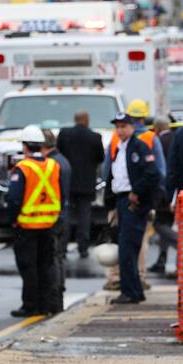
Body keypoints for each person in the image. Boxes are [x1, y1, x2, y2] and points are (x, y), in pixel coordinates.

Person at [7, 125, 62, 317]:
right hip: (49, 225)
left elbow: (14, 198)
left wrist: (13, 220)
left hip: (27, 226)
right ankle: (45, 304)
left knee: (28, 266)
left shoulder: (23, 168)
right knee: (46, 265)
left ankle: (30, 305)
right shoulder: (53, 165)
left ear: (25, 146)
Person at [106, 113, 161, 304]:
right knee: (127, 247)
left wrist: (137, 192)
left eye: (124, 126)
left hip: (133, 202)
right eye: (118, 127)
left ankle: (129, 291)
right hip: (122, 200)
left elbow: (153, 173)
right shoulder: (120, 148)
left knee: (127, 249)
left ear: (131, 127)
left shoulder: (138, 146)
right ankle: (134, 290)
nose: (120, 130)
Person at [57, 110, 105, 258]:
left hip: (67, 182)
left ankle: (62, 247)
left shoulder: (64, 135)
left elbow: (59, 155)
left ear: (75, 119)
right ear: (87, 120)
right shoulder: (95, 137)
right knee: (84, 216)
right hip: (86, 182)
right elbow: (100, 158)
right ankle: (83, 247)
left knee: (66, 214)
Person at [43, 129, 71, 307]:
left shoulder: (52, 163)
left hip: (55, 215)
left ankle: (55, 292)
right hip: (64, 213)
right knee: (59, 255)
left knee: (54, 256)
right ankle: (59, 289)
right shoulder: (63, 161)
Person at [148, 116, 178, 274]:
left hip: (163, 191)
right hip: (175, 190)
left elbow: (160, 168)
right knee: (166, 222)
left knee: (159, 224)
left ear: (157, 128)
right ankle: (162, 259)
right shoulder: (176, 138)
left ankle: (180, 244)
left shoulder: (158, 141)